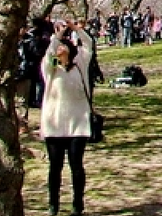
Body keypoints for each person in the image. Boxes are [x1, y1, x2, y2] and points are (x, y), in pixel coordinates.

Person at [40, 20, 94, 216]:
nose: (60, 49)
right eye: (59, 48)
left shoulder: (80, 64)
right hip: (54, 125)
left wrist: (76, 29)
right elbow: (47, 57)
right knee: (55, 167)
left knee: (76, 165)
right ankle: (53, 204)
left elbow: (88, 44)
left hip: (78, 123)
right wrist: (57, 37)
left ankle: (77, 205)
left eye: (64, 47)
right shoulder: (52, 68)